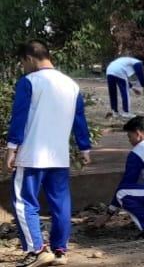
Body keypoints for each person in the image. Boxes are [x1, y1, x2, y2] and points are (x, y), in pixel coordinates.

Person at [6, 40, 91, 267]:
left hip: (31, 155)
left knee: (24, 202)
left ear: (29, 58)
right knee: (60, 203)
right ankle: (60, 250)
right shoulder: (71, 85)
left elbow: (19, 116)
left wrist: (11, 148)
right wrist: (84, 147)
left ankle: (37, 249)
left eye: (23, 63)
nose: (23, 68)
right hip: (59, 156)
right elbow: (79, 119)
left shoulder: (29, 82)